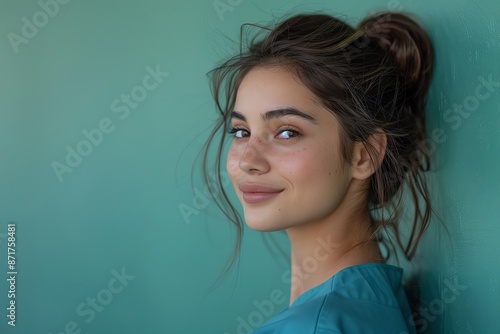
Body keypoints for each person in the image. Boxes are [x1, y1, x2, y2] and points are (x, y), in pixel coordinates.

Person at [203, 10, 434, 334]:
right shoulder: (371, 300)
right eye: (241, 131)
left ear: (365, 155)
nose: (247, 161)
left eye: (286, 132)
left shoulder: (316, 326)